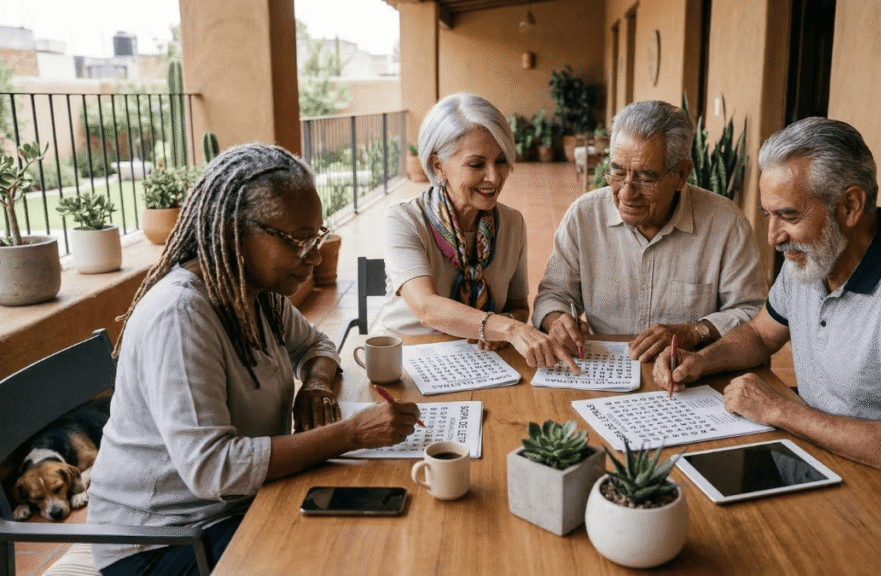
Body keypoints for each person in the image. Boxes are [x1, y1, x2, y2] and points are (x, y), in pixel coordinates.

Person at [88, 143, 421, 576]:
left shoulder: (257, 295)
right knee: (352, 554)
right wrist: (351, 433)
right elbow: (215, 470)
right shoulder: (181, 316)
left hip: (241, 507)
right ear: (232, 232)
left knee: (380, 528)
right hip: (162, 543)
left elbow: (318, 346)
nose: (315, 256)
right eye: (299, 240)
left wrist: (317, 385)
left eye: (317, 236)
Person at [654, 117, 881, 544]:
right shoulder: (810, 260)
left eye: (788, 215)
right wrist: (701, 359)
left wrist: (780, 410)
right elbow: (759, 335)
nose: (773, 237)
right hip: (823, 469)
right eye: (768, 215)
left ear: (850, 206)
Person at [533, 100, 766, 361]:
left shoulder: (726, 224)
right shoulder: (584, 216)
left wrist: (692, 332)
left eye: (646, 178)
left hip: (688, 371)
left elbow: (751, 312)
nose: (627, 192)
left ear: (681, 175)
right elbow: (552, 295)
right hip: (606, 369)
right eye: (617, 172)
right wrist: (556, 321)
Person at [379, 93, 580, 373]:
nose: (494, 177)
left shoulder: (511, 223)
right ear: (439, 166)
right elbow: (426, 308)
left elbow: (518, 307)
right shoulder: (404, 219)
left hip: (482, 364)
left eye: (501, 161)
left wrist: (504, 326)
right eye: (476, 164)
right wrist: (506, 328)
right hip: (410, 360)